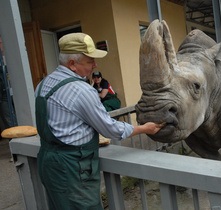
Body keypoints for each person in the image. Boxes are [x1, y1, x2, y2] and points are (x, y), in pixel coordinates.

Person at [35, 32, 164, 210]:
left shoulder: (43, 83)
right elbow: (109, 128)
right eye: (90, 61)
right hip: (72, 168)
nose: (95, 65)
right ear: (72, 64)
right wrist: (144, 128)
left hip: (48, 162)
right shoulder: (81, 90)